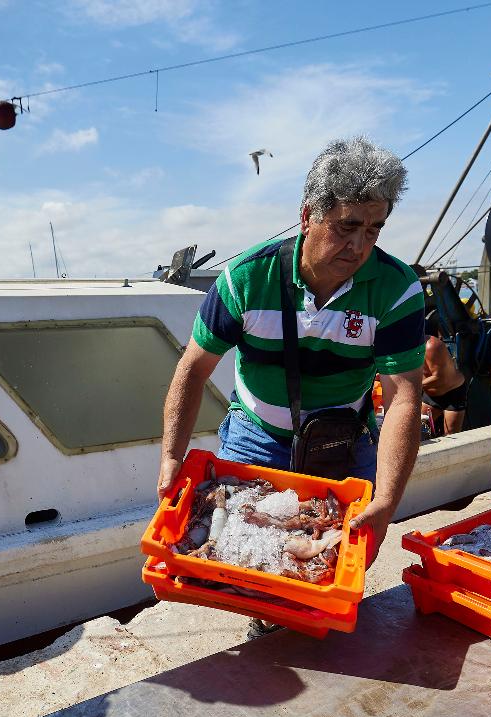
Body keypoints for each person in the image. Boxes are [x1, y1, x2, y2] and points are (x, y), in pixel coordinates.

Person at [157, 137, 425, 607]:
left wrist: (386, 498)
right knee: (240, 563)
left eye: (374, 230)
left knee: (338, 563)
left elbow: (403, 397)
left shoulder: (396, 289)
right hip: (256, 435)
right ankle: (265, 619)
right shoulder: (244, 279)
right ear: (308, 217)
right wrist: (171, 458)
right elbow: (192, 372)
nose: (359, 245)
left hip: (343, 438)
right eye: (347, 227)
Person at [421, 317, 467, 435]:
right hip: (431, 395)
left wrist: (413, 384)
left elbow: (439, 377)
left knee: (451, 434)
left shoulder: (432, 346)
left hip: (452, 393)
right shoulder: (408, 348)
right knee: (419, 428)